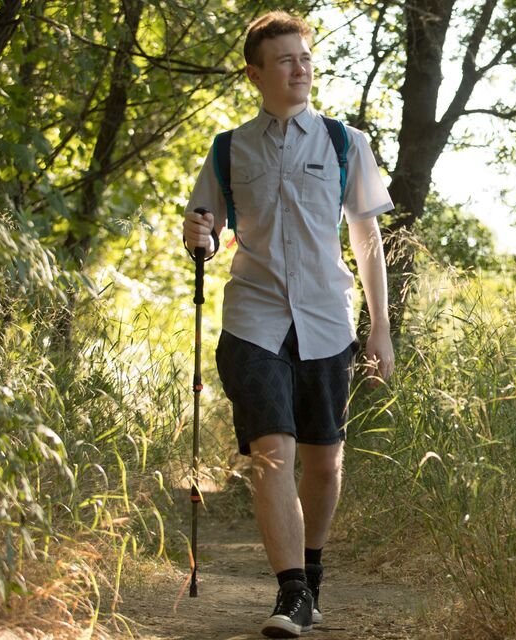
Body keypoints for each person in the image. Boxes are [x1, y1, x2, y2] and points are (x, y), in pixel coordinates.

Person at [181, 10, 395, 639]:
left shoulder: (344, 142)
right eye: (285, 60)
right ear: (257, 74)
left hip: (328, 318)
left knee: (323, 463)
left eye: (304, 57)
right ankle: (291, 593)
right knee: (272, 453)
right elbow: (206, 234)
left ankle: (313, 572)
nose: (300, 68)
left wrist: (380, 329)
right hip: (253, 318)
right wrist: (197, 237)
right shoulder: (228, 148)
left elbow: (368, 238)